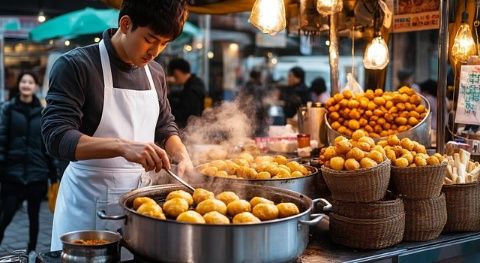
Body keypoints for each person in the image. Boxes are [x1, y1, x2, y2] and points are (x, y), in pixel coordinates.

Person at [41, 0, 193, 250]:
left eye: (164, 44)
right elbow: (56, 137)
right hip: (87, 206)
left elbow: (165, 125)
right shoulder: (76, 66)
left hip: (139, 205)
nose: (155, 51)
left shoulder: (154, 72)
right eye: (150, 39)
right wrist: (123, 147)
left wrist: (182, 156)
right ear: (125, 24)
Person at [0, 72, 57, 253]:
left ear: (35, 86)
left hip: (36, 173)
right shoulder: (8, 109)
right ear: (19, 85)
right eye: (23, 81)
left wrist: (53, 175)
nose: (26, 85)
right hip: (12, 173)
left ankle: (31, 251)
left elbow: (47, 146)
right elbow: (2, 140)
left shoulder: (42, 112)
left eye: (30, 82)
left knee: (34, 217)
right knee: (5, 215)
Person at [167, 58, 206, 128]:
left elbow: (184, 114)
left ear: (176, 73)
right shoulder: (196, 82)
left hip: (191, 129)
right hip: (196, 126)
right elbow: (182, 94)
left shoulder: (192, 89)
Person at [238, 69, 270, 137]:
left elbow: (241, 99)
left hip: (254, 112)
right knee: (256, 130)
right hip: (257, 112)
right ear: (258, 77)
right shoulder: (256, 86)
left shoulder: (247, 85)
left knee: (251, 130)